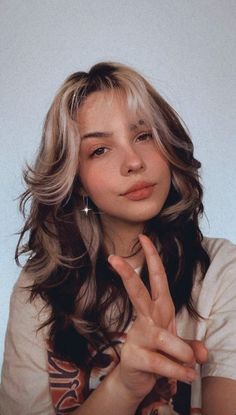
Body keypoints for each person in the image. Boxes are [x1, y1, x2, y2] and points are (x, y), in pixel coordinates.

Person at [0, 62, 236, 415]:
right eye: (99, 150)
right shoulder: (38, 291)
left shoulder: (220, 269)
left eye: (144, 136)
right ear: (76, 181)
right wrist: (125, 386)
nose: (133, 162)